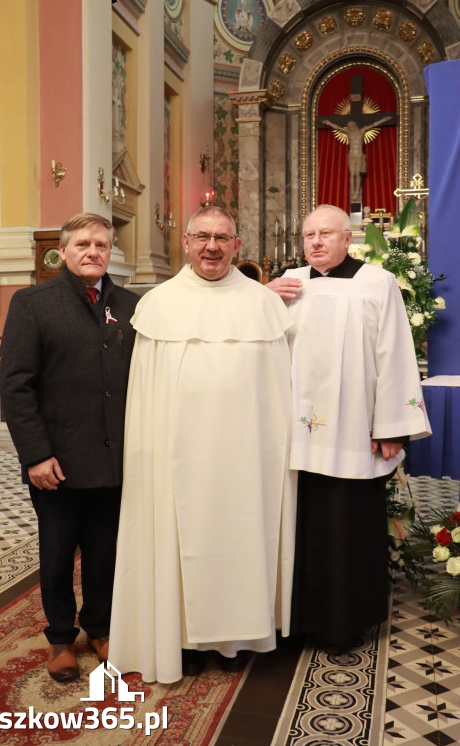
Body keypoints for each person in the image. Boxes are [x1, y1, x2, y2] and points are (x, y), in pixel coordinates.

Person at [108, 205, 296, 684]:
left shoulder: (262, 303)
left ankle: (237, 638)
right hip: (176, 458)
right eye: (202, 236)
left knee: (242, 538)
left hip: (246, 459)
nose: (212, 246)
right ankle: (183, 641)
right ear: (186, 242)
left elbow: (279, 391)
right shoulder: (158, 305)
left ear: (237, 244)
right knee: (174, 539)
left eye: (222, 237)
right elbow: (145, 396)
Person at [268, 204, 430, 649]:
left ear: (347, 238)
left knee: (347, 524)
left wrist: (392, 426)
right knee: (300, 526)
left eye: (326, 233)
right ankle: (295, 620)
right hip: (294, 436)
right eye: (308, 235)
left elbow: (395, 354)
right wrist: (262, 298)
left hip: (354, 431)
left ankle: (347, 621)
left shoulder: (376, 283)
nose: (316, 242)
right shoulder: (288, 285)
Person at [0, 212, 139, 682]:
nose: (92, 252)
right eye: (83, 244)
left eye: (101, 244)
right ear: (65, 249)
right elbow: (17, 385)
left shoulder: (131, 304)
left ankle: (100, 627)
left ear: (111, 250)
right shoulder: (33, 302)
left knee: (104, 552)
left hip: (113, 460)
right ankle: (61, 636)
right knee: (57, 553)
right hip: (55, 462)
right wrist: (35, 454)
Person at [322, 116, 391, 201]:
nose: (349, 128)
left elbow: (374, 125)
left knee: (357, 174)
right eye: (348, 127)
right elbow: (338, 128)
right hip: (351, 155)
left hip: (359, 155)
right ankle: (353, 192)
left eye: (350, 126)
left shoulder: (362, 131)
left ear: (354, 125)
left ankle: (357, 192)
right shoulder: (348, 132)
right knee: (352, 174)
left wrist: (383, 120)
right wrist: (329, 123)